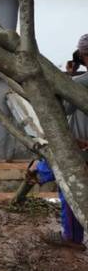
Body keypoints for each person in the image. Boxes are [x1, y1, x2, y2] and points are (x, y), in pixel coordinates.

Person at [39, 33, 88, 250]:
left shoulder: (81, 82)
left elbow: (63, 109)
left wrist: (65, 80)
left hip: (81, 147)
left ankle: (72, 238)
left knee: (70, 189)